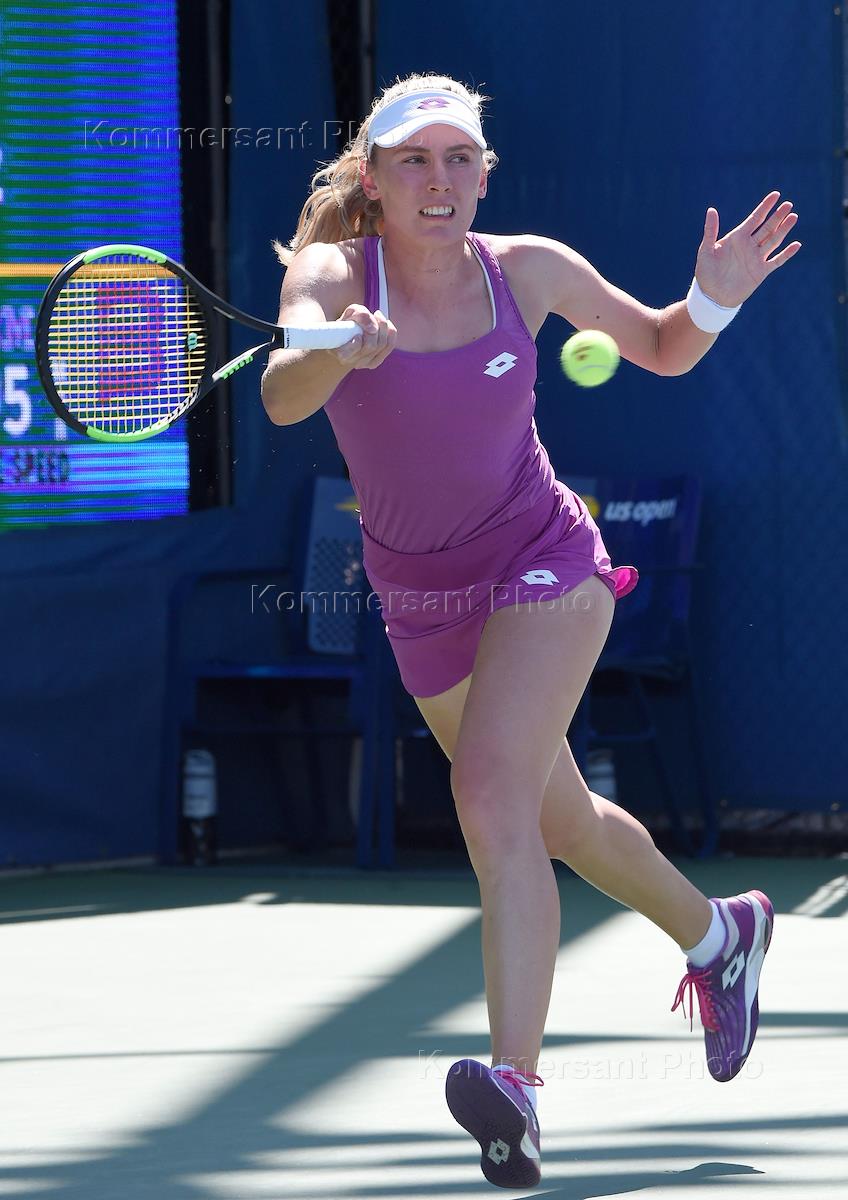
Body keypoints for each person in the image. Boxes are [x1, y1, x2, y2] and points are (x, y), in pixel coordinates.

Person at [261, 73, 800, 1190]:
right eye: (415, 160)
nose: (440, 179)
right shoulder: (330, 275)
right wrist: (335, 350)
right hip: (418, 601)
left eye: (460, 158)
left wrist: (708, 302)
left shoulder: (530, 271)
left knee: (489, 797)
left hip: (543, 560)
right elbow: (279, 391)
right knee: (562, 822)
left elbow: (662, 346)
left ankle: (514, 1085)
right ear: (374, 178)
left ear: (483, 174)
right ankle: (721, 936)